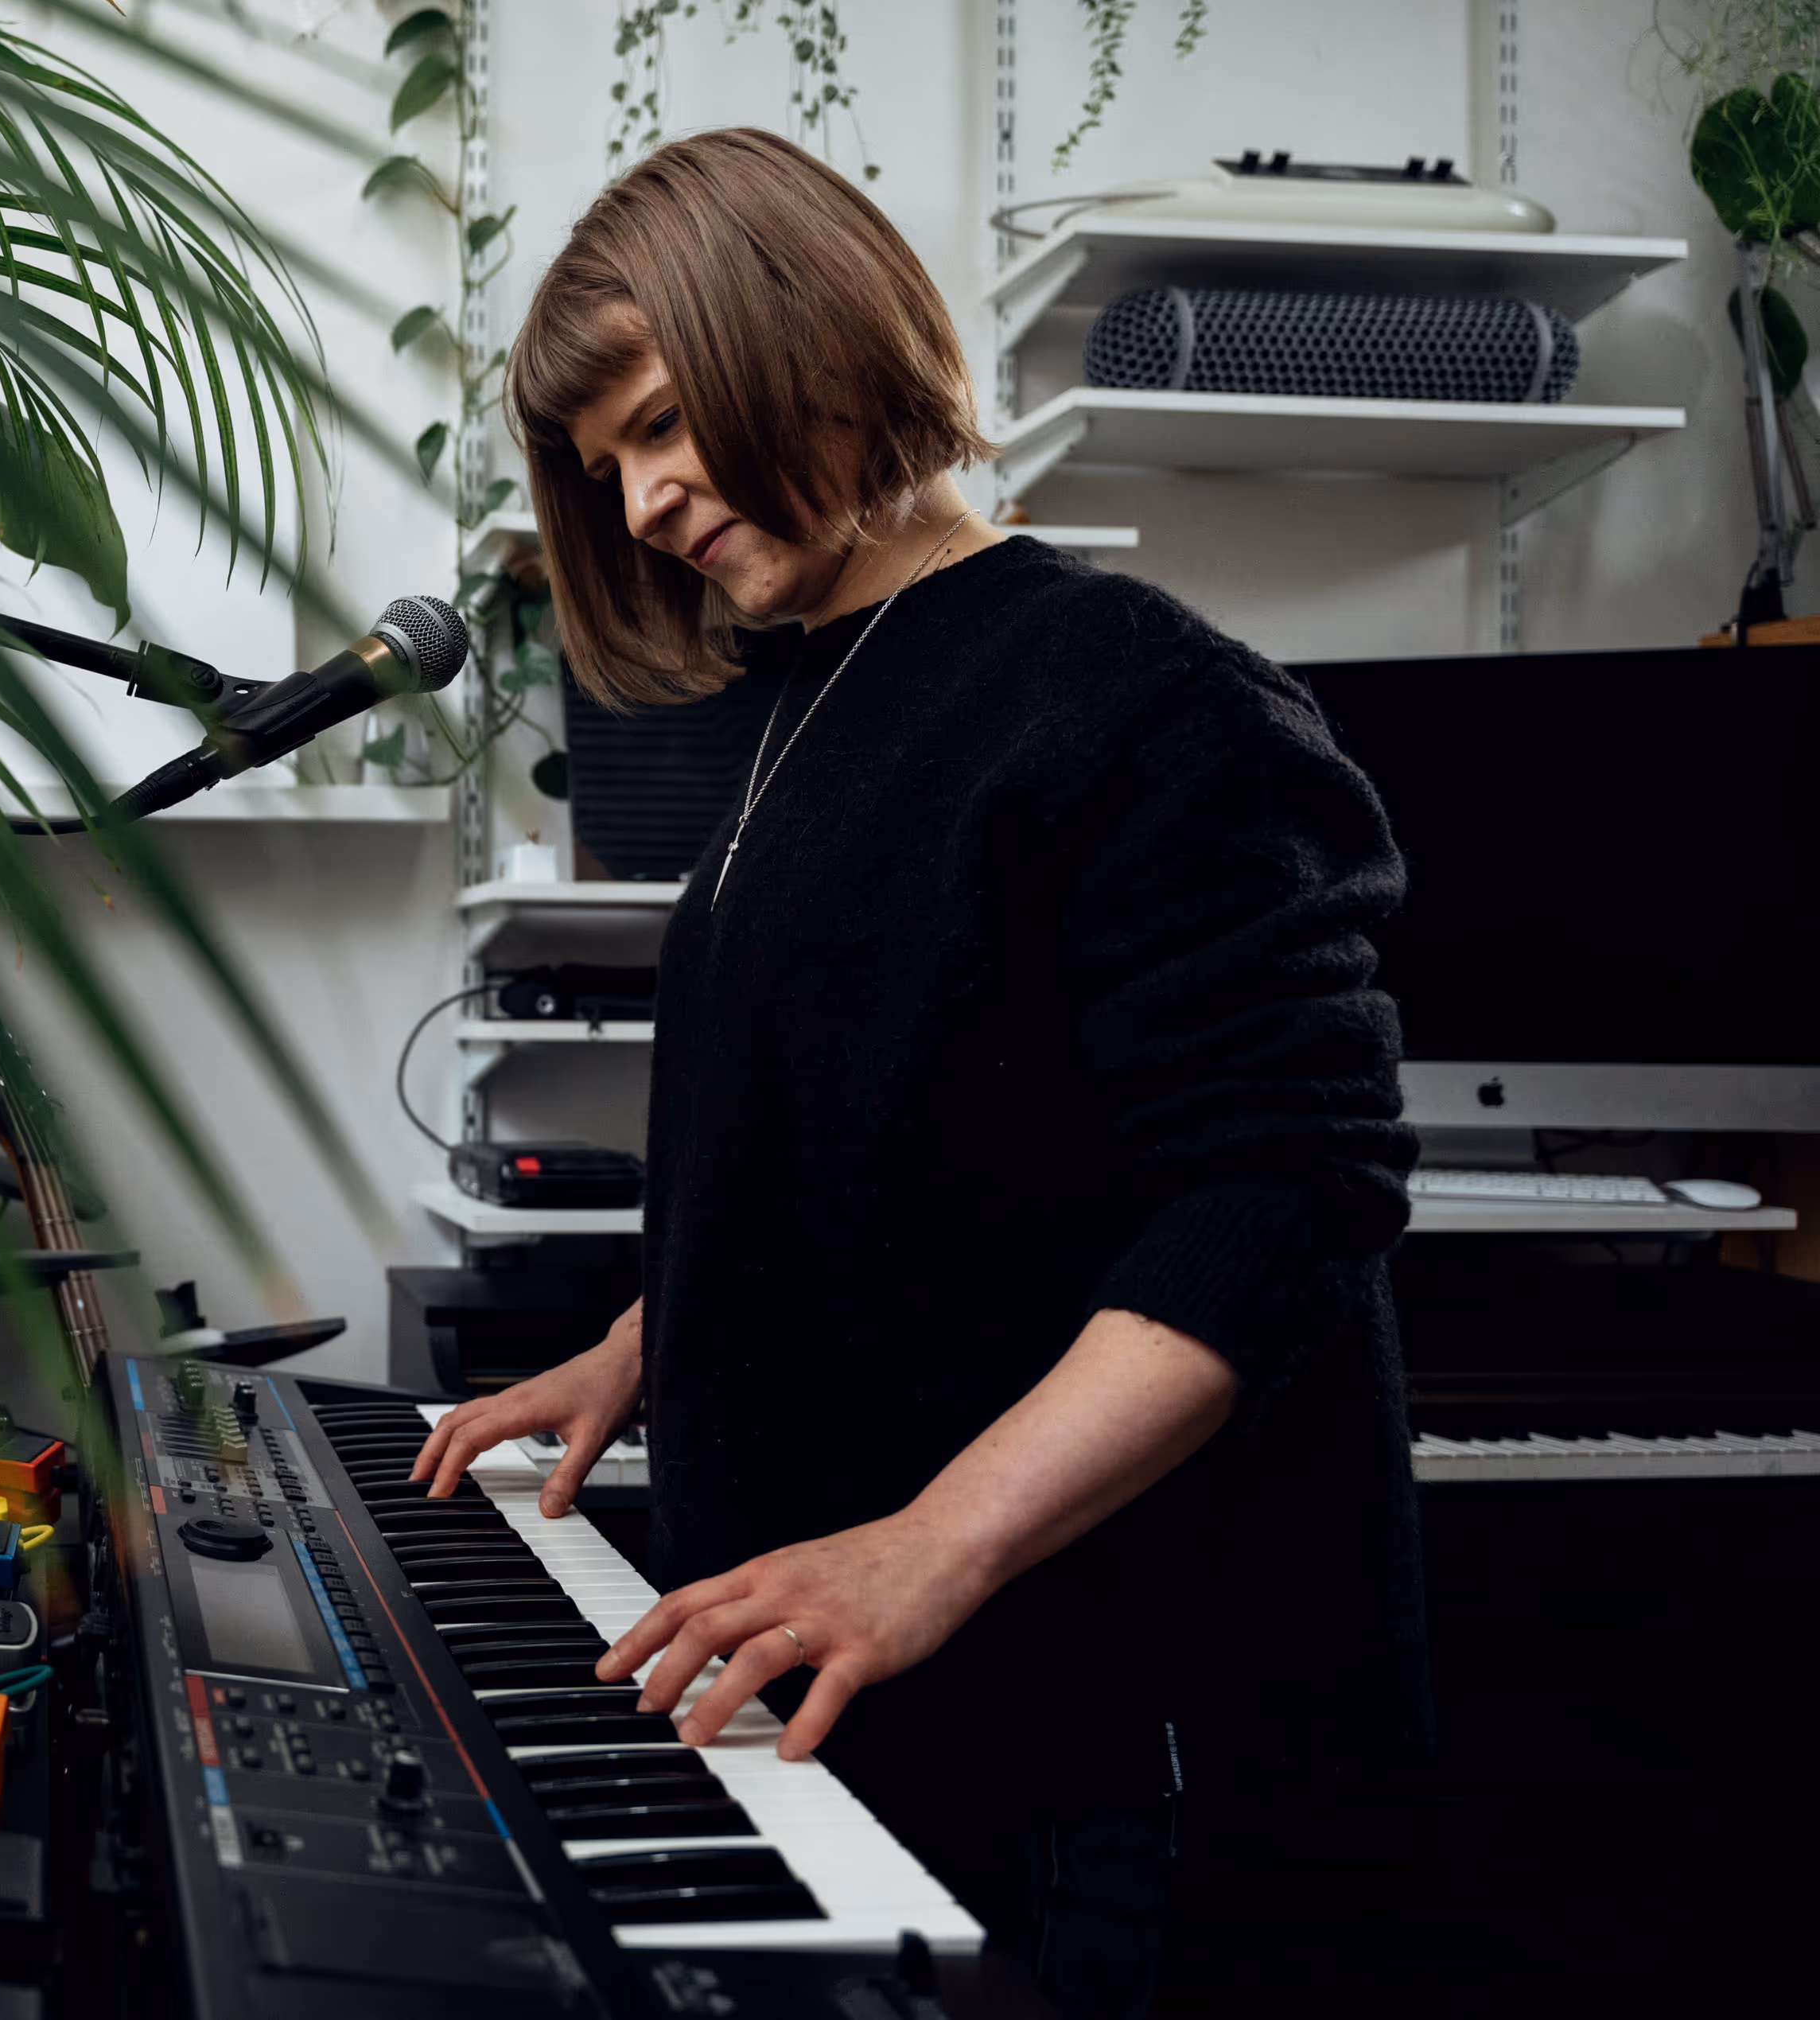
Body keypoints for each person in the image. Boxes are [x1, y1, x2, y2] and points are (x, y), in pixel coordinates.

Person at [407, 129, 1428, 2018]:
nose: (634, 505)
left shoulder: (1134, 693)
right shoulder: (814, 689)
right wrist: (649, 1340)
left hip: (1051, 1721)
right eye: (603, 464)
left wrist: (923, 1549)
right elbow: (897, 1135)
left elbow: (1286, 1191)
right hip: (848, 1679)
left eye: (655, 425)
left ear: (793, 332)